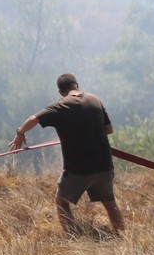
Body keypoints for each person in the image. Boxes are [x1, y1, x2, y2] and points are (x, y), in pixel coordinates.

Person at [9, 73, 124, 236]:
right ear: (76, 85)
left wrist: (20, 133)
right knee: (110, 203)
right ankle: (121, 237)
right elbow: (108, 130)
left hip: (78, 169)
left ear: (60, 92)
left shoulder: (60, 106)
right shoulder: (94, 100)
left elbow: (34, 119)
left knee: (62, 202)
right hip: (104, 165)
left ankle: (74, 238)